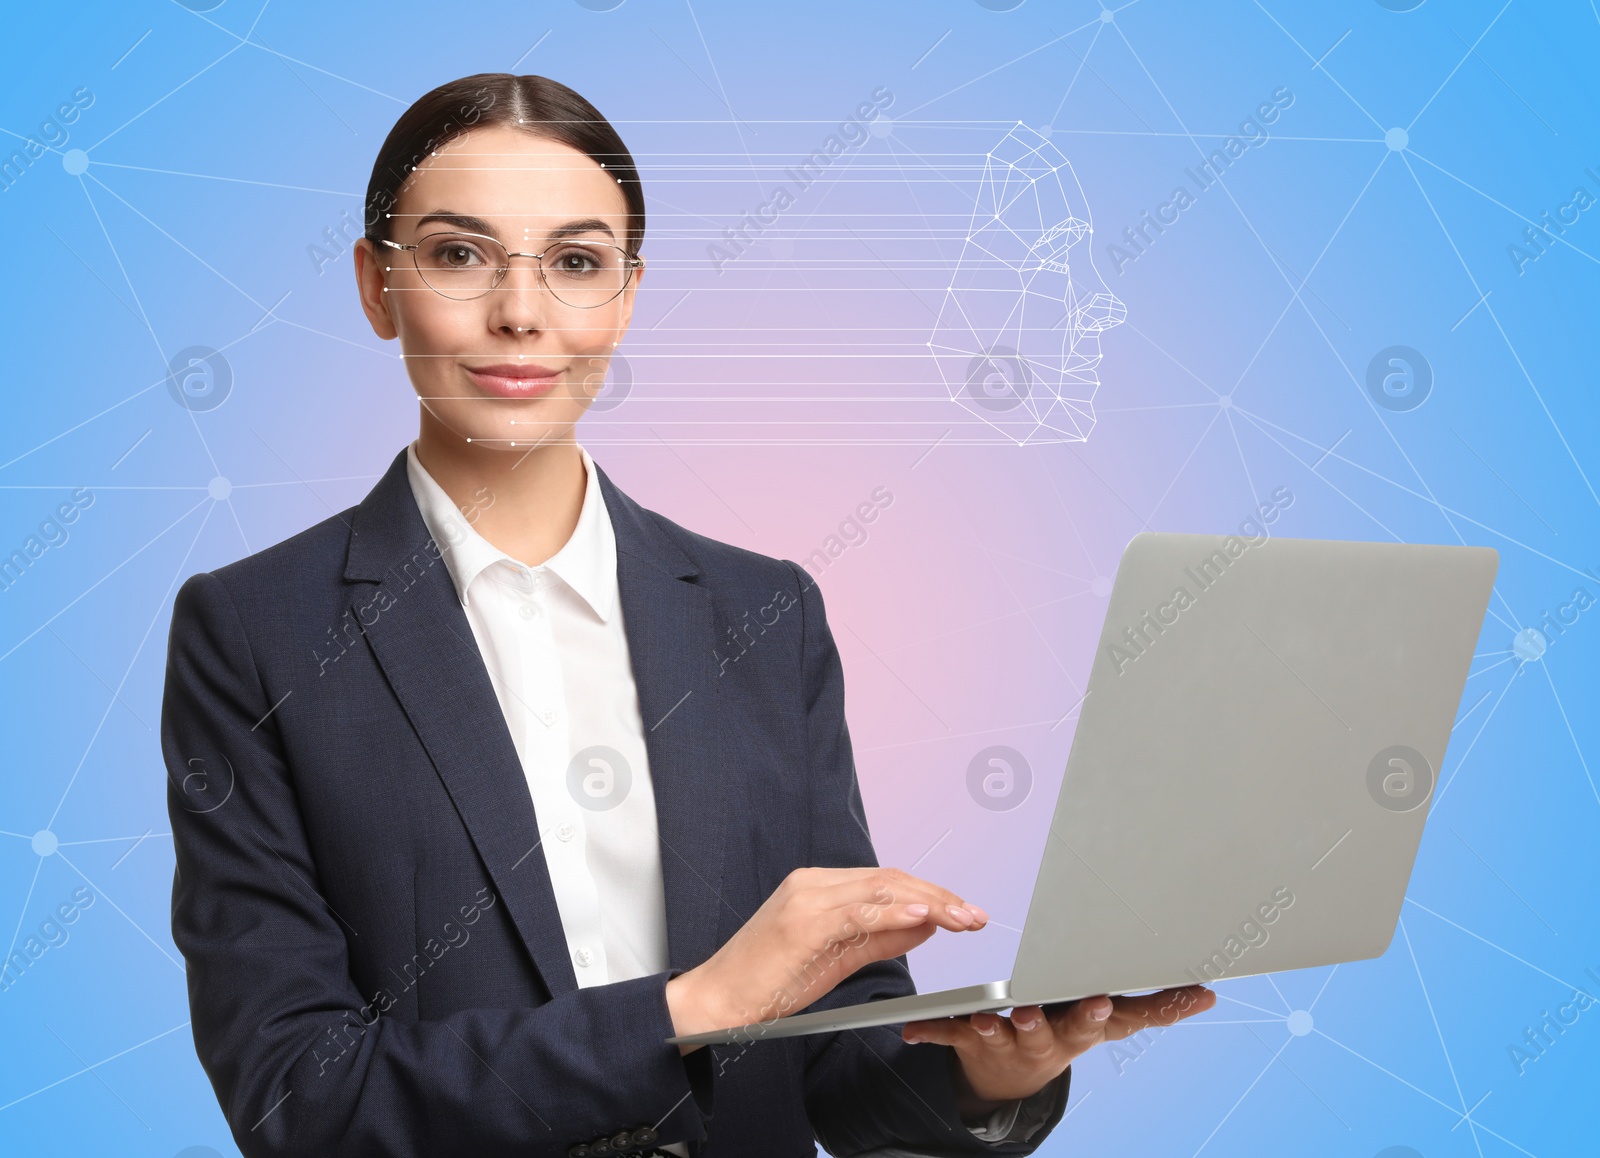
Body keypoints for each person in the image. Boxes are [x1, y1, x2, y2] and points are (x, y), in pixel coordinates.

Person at [160, 73, 1213, 1158]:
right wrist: (691, 1007)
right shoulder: (255, 633)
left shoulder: (766, 614)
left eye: (575, 263)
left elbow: (833, 1074)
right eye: (459, 253)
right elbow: (297, 1097)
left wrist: (986, 1077)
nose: (520, 311)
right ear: (378, 287)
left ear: (624, 294)